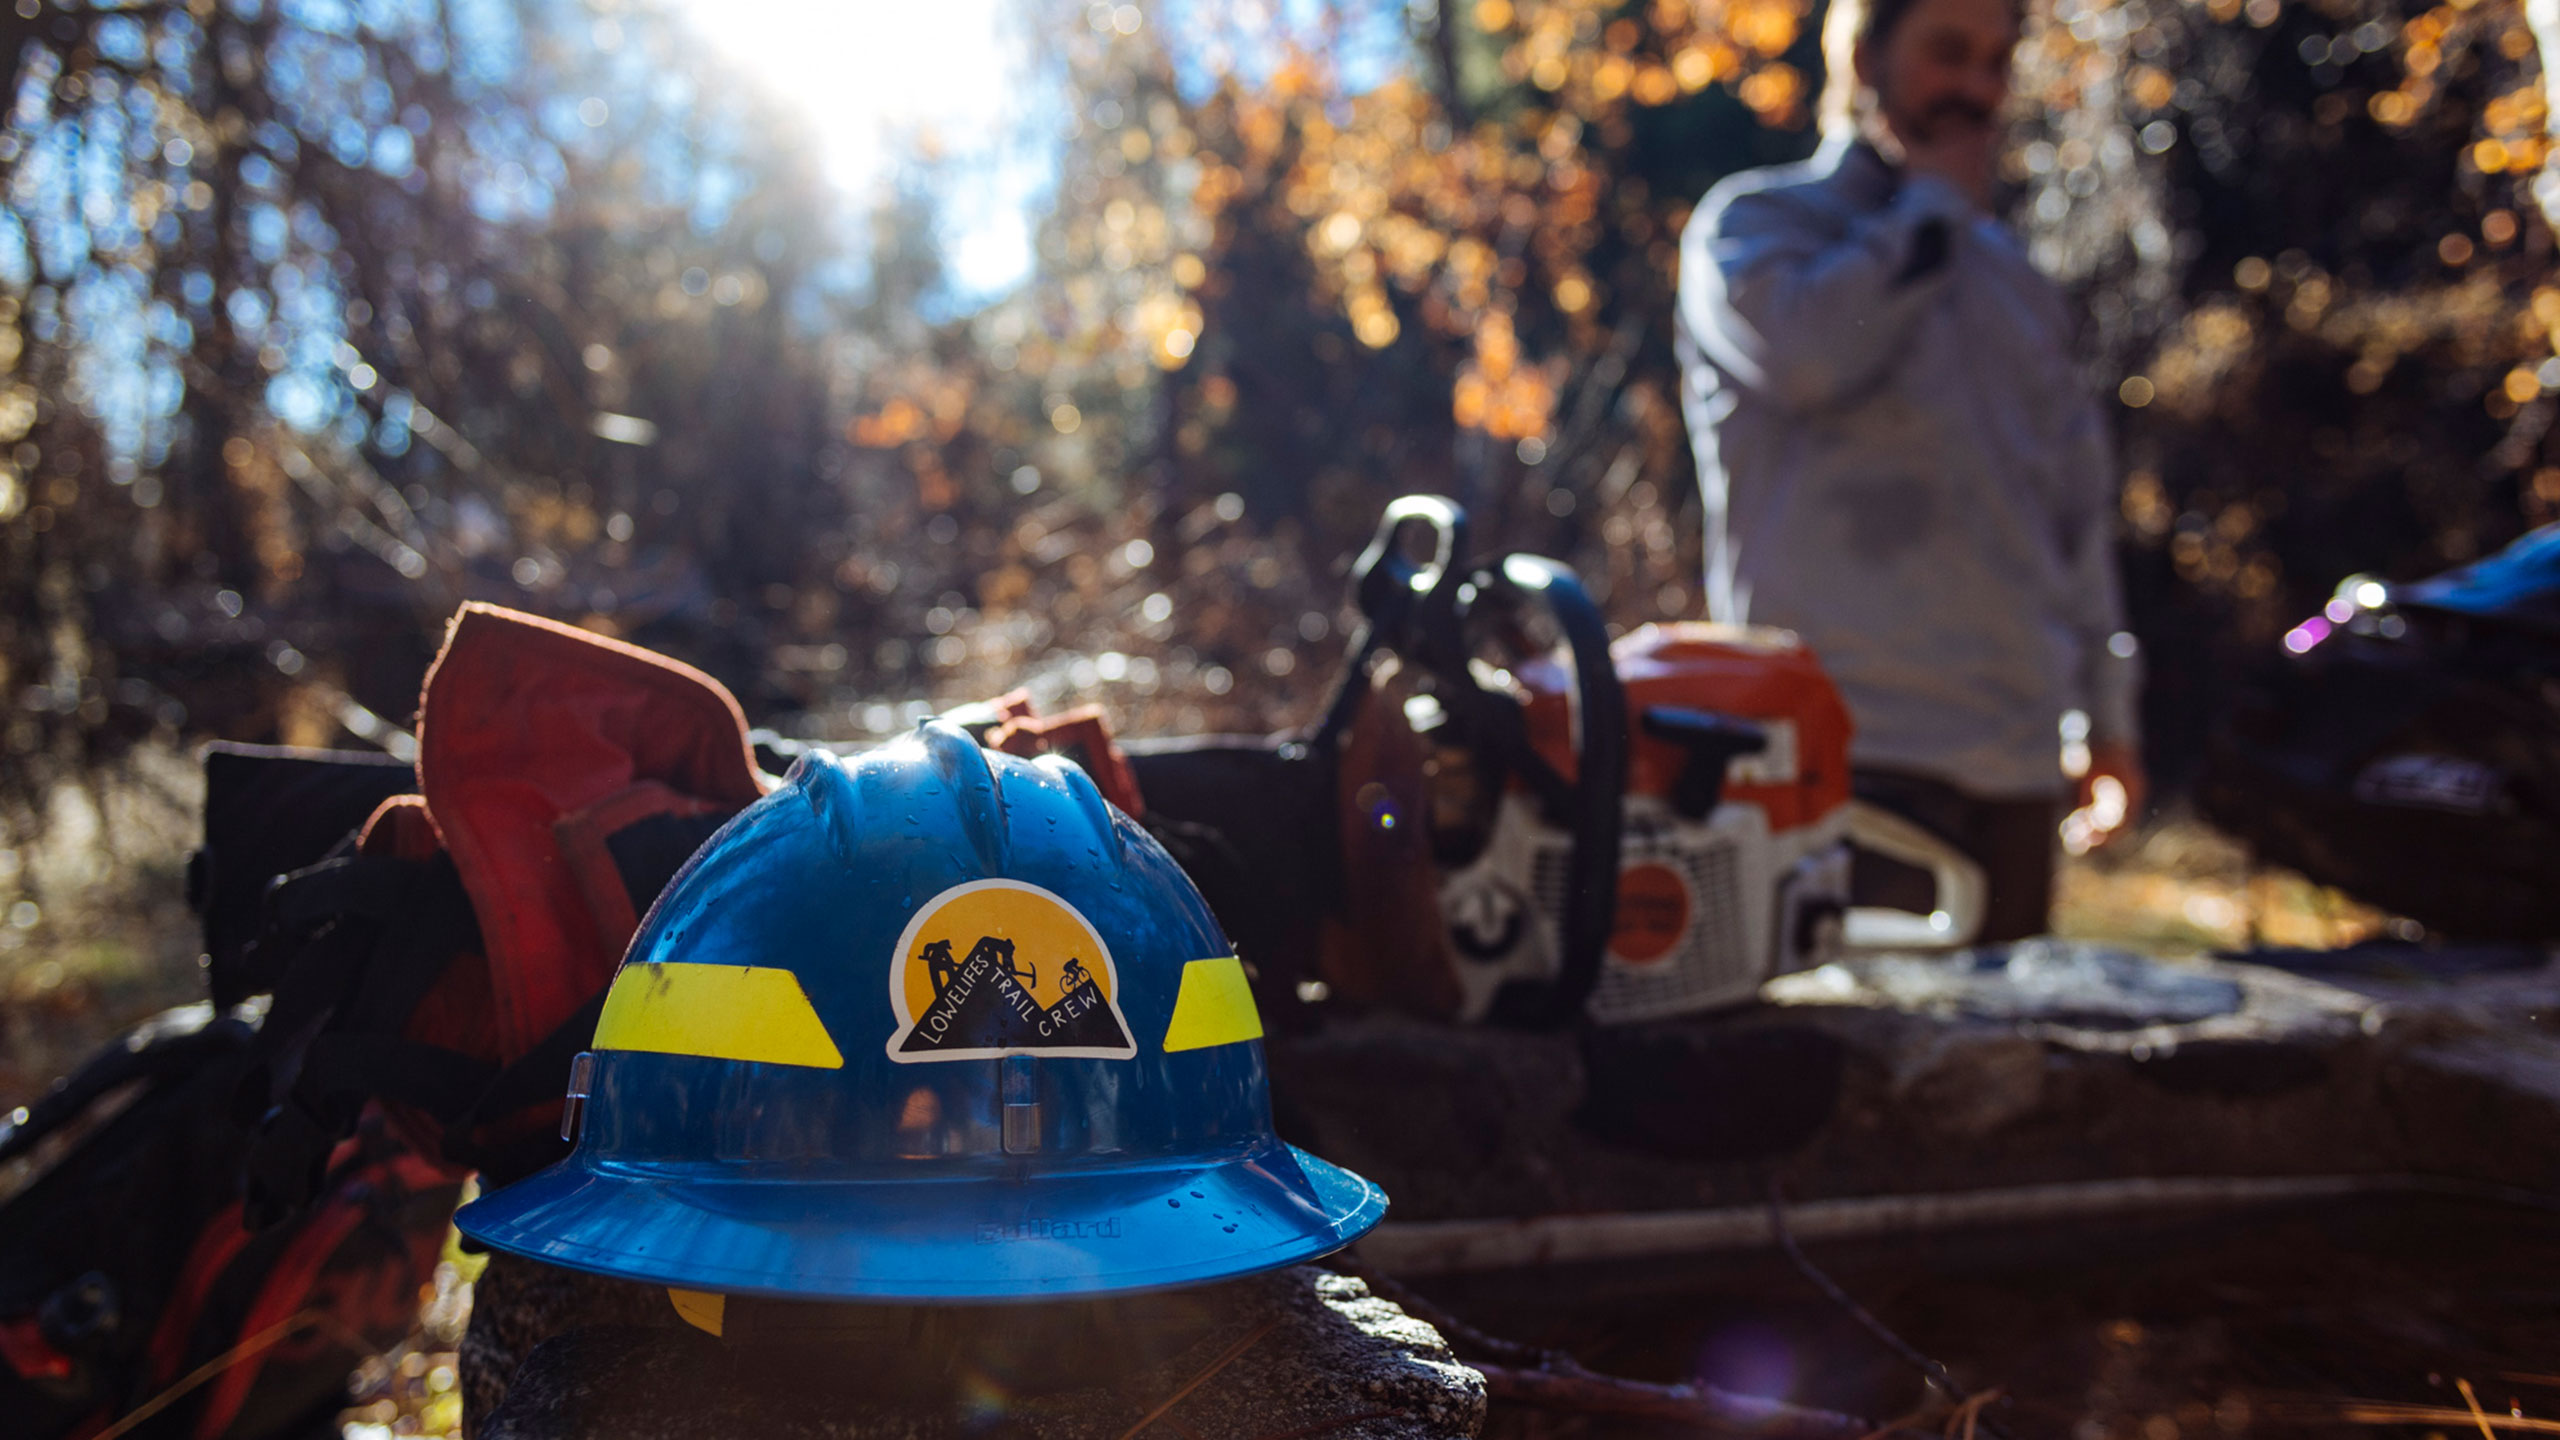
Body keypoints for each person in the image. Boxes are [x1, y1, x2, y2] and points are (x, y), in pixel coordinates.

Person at [1673, 0, 2145, 941]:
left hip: (2014, 765)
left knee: (2010, 1079)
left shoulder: (2016, 284)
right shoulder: (1759, 226)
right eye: (1947, 53)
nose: (1976, 89)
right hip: (1843, 762)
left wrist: (2109, 717)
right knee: (1859, 1082)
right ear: (1863, 56)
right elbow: (1806, 358)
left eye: (1996, 63)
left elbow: (2075, 515)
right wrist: (1930, 211)